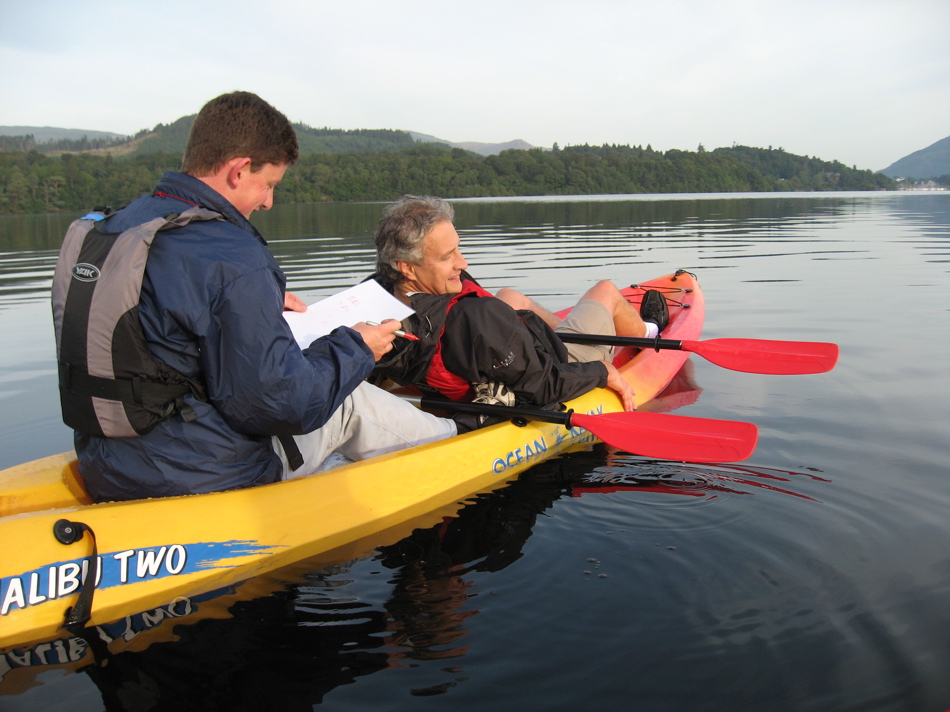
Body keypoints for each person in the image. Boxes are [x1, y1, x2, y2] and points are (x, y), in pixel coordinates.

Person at [52, 93, 456, 503]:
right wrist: (357, 347)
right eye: (269, 185)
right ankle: (461, 444)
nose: (268, 201)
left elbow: (149, 326)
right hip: (204, 476)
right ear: (239, 170)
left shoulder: (107, 229)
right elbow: (284, 406)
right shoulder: (230, 255)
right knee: (350, 402)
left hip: (105, 464)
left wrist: (252, 303)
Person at [370, 195, 669, 415]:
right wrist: (604, 372)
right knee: (605, 290)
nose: (463, 262)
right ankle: (649, 331)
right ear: (408, 268)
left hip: (479, 361)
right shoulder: (477, 320)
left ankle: (562, 331)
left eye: (458, 249)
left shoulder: (377, 297)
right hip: (554, 366)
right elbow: (542, 387)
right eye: (448, 256)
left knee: (510, 296)